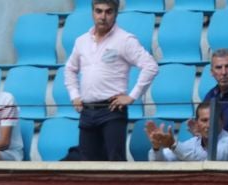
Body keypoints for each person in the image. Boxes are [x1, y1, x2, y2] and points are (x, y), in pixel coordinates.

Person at [62, 0, 158, 162]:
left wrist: (132, 96)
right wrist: (74, 95)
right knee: (86, 164)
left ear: (116, 13)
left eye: (108, 12)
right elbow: (70, 69)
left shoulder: (125, 40)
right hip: (87, 110)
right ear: (92, 12)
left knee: (115, 162)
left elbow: (151, 66)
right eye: (98, 11)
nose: (103, 16)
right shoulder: (81, 41)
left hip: (112, 110)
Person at [144, 101, 228, 163]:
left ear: (222, 121)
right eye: (204, 120)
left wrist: (173, 145)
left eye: (214, 119)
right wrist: (157, 148)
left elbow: (209, 159)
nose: (209, 125)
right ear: (197, 123)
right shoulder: (193, 143)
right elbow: (162, 162)